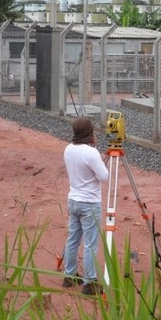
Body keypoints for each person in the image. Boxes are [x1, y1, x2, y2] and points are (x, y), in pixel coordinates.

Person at [62, 117, 109, 295]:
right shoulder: (91, 153)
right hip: (89, 203)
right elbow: (104, 176)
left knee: (73, 239)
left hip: (73, 200)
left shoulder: (68, 149)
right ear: (90, 133)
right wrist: (94, 150)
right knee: (90, 244)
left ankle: (69, 275)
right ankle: (89, 282)